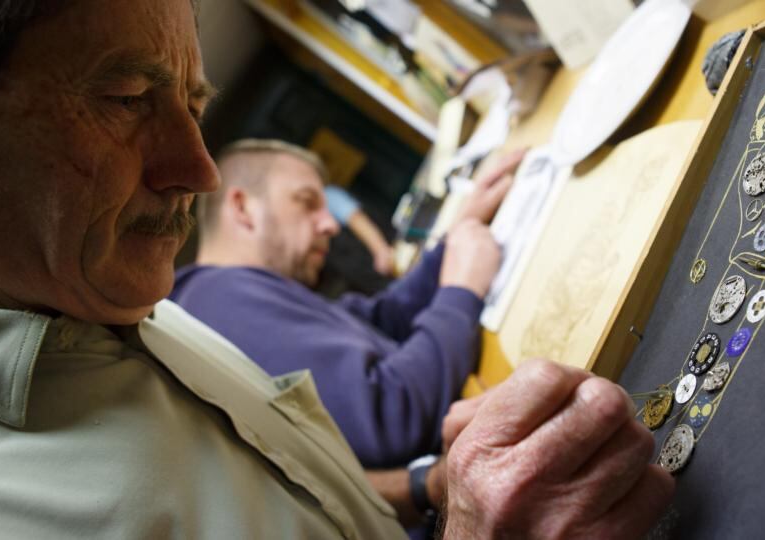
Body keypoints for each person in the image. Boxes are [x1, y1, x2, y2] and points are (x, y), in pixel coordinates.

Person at [0, 0, 674, 538]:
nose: (197, 168)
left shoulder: (139, 310)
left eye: (195, 109)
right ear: (243, 208)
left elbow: (308, 481)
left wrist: (426, 488)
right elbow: (389, 417)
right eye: (127, 97)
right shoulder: (213, 296)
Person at [171, 138, 521, 528]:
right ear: (242, 207)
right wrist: (462, 291)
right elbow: (390, 418)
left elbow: (382, 319)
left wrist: (455, 236)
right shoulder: (220, 300)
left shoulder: (246, 289)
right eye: (306, 202)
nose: (330, 224)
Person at [323, 182, 397, 276]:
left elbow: (356, 218)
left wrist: (381, 251)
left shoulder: (326, 196)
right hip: (366, 273)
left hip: (389, 252)